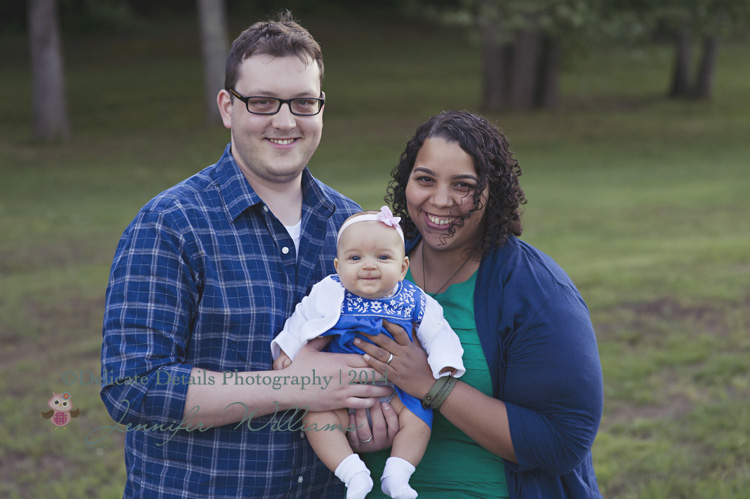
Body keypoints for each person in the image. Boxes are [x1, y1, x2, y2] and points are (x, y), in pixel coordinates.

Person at [99, 12, 396, 499]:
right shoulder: (170, 224)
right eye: (262, 102)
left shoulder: (353, 229)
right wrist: (293, 387)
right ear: (227, 107)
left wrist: (373, 420)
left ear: (322, 108)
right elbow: (132, 386)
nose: (285, 121)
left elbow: (369, 360)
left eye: (303, 102)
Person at [351, 110, 604, 497]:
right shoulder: (370, 269)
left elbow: (563, 441)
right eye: (425, 180)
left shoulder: (537, 291)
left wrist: (432, 385)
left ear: (492, 192)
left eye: (463, 185)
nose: (440, 200)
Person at [271, 206, 466, 499]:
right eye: (355, 258)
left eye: (383, 257)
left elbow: (437, 331)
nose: (369, 266)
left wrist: (446, 362)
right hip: (337, 390)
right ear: (338, 267)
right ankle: (353, 474)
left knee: (418, 422)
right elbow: (302, 317)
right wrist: (288, 348)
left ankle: (397, 476)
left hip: (396, 390)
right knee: (316, 420)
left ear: (402, 268)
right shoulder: (330, 291)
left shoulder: (413, 298)